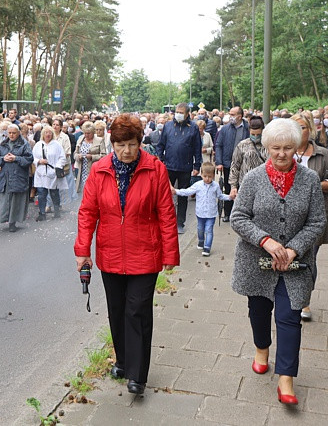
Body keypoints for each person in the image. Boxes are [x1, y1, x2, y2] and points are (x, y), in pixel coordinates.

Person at [75, 113, 179, 395]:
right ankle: (122, 360)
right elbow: (88, 213)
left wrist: (170, 253)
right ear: (113, 144)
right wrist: (82, 251)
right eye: (121, 145)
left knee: (138, 312)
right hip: (110, 252)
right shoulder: (99, 170)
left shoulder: (155, 169)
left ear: (139, 142)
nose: (127, 151)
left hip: (145, 252)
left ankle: (137, 374)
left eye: (132, 144)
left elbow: (167, 214)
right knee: (117, 311)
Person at [230, 118, 326, 406]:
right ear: (267, 147)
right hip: (256, 261)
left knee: (289, 317)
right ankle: (261, 349)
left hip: (295, 265)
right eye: (276, 148)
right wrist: (266, 241)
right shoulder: (253, 178)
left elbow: (318, 221)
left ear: (296, 147)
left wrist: (293, 249)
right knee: (259, 311)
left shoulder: (309, 180)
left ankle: (286, 377)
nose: (282, 154)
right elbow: (238, 217)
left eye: (287, 148)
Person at [290, 112, 328, 321]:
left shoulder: (322, 154)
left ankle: (304, 301)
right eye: (293, 127)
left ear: (310, 129)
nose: (297, 131)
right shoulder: (283, 152)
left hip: (314, 217)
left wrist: (317, 185)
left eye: (302, 127)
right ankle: (287, 296)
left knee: (308, 258)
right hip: (286, 216)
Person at [156, 103, 202, 234]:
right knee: (165, 195)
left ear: (187, 114)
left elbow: (197, 148)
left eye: (181, 112)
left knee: (182, 196)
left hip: (185, 167)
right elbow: (160, 145)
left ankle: (180, 222)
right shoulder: (168, 126)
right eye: (177, 111)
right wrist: (160, 159)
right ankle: (165, 220)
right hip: (168, 166)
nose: (178, 114)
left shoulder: (193, 128)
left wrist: (196, 165)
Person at [172, 162, 232, 256]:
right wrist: (176, 191)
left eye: (210, 176)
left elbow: (220, 196)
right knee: (200, 229)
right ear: (201, 174)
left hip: (211, 213)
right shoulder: (198, 185)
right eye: (205, 176)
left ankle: (207, 247)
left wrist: (229, 197)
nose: (207, 179)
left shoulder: (215, 186)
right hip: (200, 212)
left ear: (213, 175)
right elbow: (188, 191)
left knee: (209, 230)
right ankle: (201, 240)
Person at [0, 124, 33, 232]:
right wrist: (3, 158)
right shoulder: (3, 143)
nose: (11, 135)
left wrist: (16, 158)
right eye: (9, 133)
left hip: (18, 176)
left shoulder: (24, 144)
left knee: (16, 200)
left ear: (18, 133)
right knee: (6, 199)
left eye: (14, 133)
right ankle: (7, 219)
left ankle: (13, 222)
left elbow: (29, 159)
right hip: (5, 177)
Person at [214, 106, 250, 222]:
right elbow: (218, 145)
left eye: (233, 115)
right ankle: (228, 213)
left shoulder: (247, 129)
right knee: (229, 188)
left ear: (240, 116)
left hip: (244, 164)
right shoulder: (225, 129)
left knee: (243, 189)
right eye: (230, 114)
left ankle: (242, 214)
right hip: (228, 164)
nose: (230, 117)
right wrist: (219, 162)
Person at [32, 126, 66, 221]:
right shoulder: (38, 145)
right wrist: (39, 161)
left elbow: (62, 157)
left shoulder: (57, 145)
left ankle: (56, 211)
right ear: (43, 134)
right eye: (46, 132)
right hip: (41, 173)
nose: (48, 134)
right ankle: (42, 213)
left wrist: (57, 167)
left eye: (50, 132)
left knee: (54, 193)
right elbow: (33, 157)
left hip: (52, 173)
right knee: (41, 194)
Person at [229, 116, 266, 200]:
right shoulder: (242, 145)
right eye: (253, 134)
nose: (255, 136)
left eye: (258, 134)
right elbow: (235, 165)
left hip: (264, 185)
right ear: (249, 131)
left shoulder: (268, 145)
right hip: (245, 186)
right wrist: (233, 186)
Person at [74, 121, 107, 193]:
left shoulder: (99, 140)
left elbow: (104, 156)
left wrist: (92, 157)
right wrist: (78, 156)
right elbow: (75, 153)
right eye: (85, 133)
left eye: (88, 133)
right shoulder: (80, 139)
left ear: (93, 132)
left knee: (93, 191)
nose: (86, 135)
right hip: (82, 170)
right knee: (85, 191)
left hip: (94, 170)